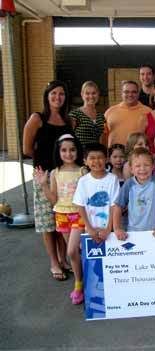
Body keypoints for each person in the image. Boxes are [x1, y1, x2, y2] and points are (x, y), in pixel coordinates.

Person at [23, 80, 74, 282]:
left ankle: (63, 259)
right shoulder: (37, 118)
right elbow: (27, 149)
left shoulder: (68, 120)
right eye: (54, 93)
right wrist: (42, 169)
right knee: (47, 222)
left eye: (61, 94)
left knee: (62, 219)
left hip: (63, 177)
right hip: (44, 175)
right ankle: (54, 262)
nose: (57, 97)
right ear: (47, 96)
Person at [34, 134, 85, 304]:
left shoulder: (82, 171)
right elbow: (54, 199)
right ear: (58, 152)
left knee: (72, 250)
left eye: (72, 150)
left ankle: (82, 282)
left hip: (78, 215)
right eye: (64, 150)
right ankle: (80, 284)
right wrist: (44, 185)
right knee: (75, 253)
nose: (68, 153)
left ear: (78, 151)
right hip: (61, 216)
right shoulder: (55, 172)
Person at [72, 143, 120, 304]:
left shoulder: (112, 179)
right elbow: (80, 206)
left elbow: (114, 205)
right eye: (92, 158)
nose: (96, 161)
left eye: (100, 157)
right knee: (91, 261)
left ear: (106, 159)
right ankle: (83, 288)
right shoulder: (83, 181)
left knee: (109, 261)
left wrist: (109, 228)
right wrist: (89, 228)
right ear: (85, 160)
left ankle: (112, 291)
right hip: (90, 228)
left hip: (108, 228)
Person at [113, 148, 155, 239]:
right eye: (138, 166)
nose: (142, 169)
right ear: (131, 169)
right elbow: (118, 206)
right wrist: (117, 228)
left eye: (146, 165)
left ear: (152, 167)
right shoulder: (128, 184)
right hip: (133, 231)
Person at [104, 80, 151, 147]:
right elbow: (103, 137)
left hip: (138, 155)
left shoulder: (148, 112)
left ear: (138, 94)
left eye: (133, 92)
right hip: (115, 156)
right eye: (126, 92)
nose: (130, 95)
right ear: (121, 93)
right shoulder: (110, 112)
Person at [69, 81, 105, 148]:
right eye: (87, 93)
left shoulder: (101, 116)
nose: (91, 96)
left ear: (98, 94)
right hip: (81, 155)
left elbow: (102, 139)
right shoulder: (75, 114)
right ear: (82, 94)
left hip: (96, 155)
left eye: (94, 93)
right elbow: (69, 137)